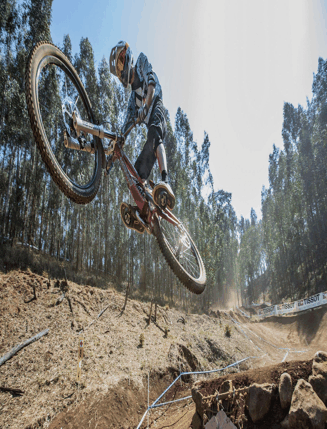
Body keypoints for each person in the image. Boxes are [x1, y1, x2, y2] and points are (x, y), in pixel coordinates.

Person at [109, 41, 175, 232]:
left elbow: (152, 83)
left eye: (121, 65)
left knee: (154, 133)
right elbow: (124, 129)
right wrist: (113, 154)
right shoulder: (132, 101)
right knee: (136, 174)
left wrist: (146, 105)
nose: (121, 72)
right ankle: (143, 213)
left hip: (157, 109)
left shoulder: (141, 61)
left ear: (127, 57)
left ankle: (165, 182)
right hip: (149, 129)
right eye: (117, 71)